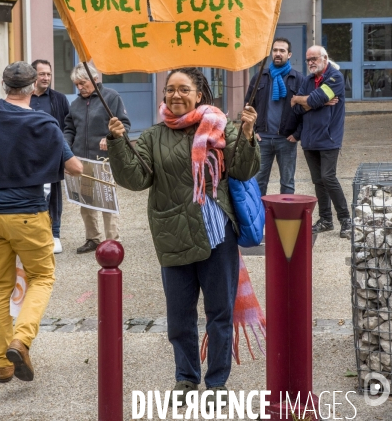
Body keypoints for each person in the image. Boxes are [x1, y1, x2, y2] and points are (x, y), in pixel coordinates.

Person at [106, 67, 260, 406]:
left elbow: (244, 169)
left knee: (219, 313)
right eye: (170, 89)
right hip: (172, 236)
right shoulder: (151, 137)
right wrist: (118, 144)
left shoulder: (222, 127)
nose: (176, 95)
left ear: (198, 94)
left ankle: (217, 382)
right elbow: (135, 179)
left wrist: (247, 134)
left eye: (184, 89)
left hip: (217, 235)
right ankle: (186, 379)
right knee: (179, 317)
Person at [0, 62, 83, 384]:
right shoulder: (45, 122)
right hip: (28, 213)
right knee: (42, 277)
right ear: (32, 88)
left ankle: (3, 363)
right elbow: (74, 168)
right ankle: (22, 340)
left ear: (4, 86)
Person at [64, 62, 131, 254]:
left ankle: (113, 242)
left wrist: (109, 138)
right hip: (81, 160)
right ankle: (93, 238)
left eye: (83, 83)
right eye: (77, 84)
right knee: (85, 201)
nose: (80, 87)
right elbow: (69, 128)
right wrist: (67, 147)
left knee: (107, 201)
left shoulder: (111, 97)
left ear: (95, 79)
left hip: (104, 160)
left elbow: (124, 125)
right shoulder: (75, 104)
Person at [291, 46, 352, 238]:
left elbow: (312, 100)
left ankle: (346, 220)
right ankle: (326, 220)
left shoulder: (335, 78)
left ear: (325, 58)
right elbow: (296, 109)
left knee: (328, 177)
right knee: (318, 181)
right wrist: (309, 101)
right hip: (309, 140)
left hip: (329, 139)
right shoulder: (308, 80)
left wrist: (301, 100)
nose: (310, 62)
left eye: (314, 58)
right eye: (308, 59)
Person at [245, 37, 303, 195]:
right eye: (275, 50)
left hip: (286, 140)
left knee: (287, 183)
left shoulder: (298, 79)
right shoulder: (259, 77)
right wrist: (253, 131)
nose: (278, 53)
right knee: (258, 182)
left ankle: (285, 217)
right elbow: (248, 106)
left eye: (282, 51)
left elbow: (306, 111)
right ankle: (259, 218)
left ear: (289, 54)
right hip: (262, 139)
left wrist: (297, 134)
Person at [31, 59, 70, 254]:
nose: (46, 78)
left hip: (52, 157)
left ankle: (55, 235)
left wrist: (67, 150)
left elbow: (68, 125)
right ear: (33, 76)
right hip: (28, 158)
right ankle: (36, 234)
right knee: (33, 194)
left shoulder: (59, 99)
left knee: (54, 196)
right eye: (42, 74)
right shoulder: (25, 98)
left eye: (48, 74)